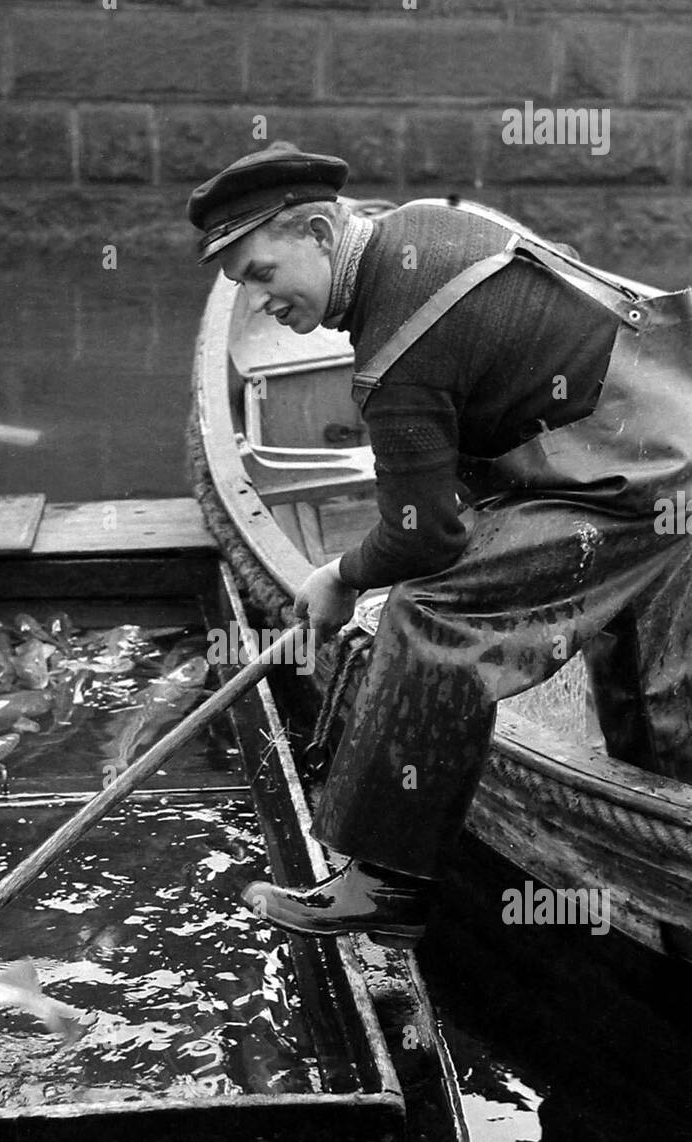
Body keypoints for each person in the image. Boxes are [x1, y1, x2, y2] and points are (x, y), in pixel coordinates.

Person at [187, 141, 692, 942]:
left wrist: (341, 577)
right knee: (638, 661)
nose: (258, 303)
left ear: (320, 232)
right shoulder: (426, 227)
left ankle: (382, 887)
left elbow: (422, 538)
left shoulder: (396, 359)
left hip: (627, 479)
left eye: (259, 274)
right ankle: (660, 825)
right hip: (668, 438)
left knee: (429, 618)